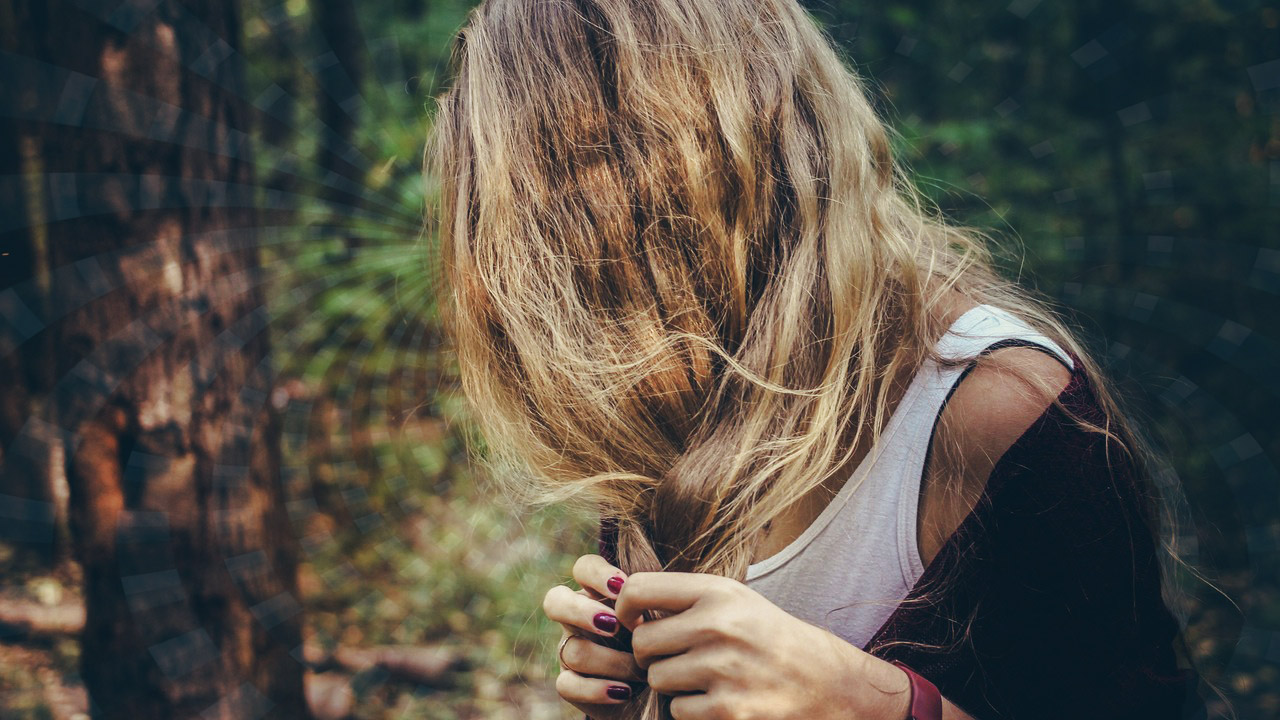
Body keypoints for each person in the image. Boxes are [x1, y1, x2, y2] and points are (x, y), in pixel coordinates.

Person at [425, 1, 1210, 719]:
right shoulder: (669, 393)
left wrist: (873, 704)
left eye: (581, 213)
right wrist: (632, 699)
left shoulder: (998, 411)